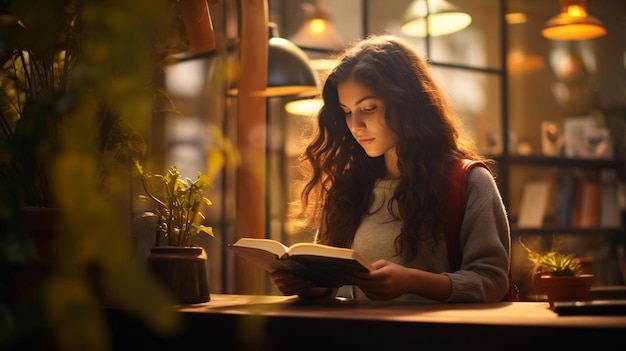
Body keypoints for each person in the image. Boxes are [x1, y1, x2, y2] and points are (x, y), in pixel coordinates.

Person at [270, 35, 511, 303]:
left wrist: (413, 281)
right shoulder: (350, 186)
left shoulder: (467, 181)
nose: (356, 124)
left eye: (369, 108)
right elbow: (334, 284)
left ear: (408, 104)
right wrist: (308, 284)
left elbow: (492, 281)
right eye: (347, 111)